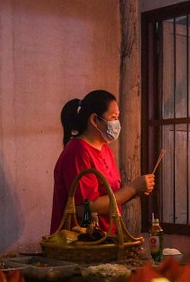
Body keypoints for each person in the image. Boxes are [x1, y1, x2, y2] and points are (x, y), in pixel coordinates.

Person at [51, 90, 154, 233]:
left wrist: (135, 191)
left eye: (118, 117)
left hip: (105, 238)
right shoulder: (78, 152)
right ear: (94, 120)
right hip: (81, 243)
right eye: (113, 117)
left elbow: (110, 196)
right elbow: (84, 208)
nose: (117, 123)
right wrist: (132, 189)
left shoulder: (104, 149)